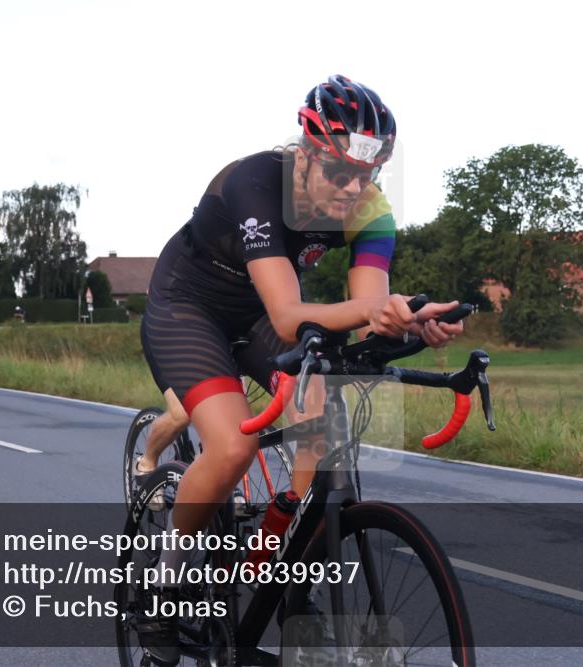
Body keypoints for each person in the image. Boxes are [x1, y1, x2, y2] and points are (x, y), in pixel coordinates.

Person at [135, 75, 463, 665]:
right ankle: (166, 580)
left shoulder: (372, 211)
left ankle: (285, 566)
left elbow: (368, 313)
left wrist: (406, 320)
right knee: (233, 448)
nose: (354, 188)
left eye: (369, 174)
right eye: (340, 172)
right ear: (307, 154)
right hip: (190, 308)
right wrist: (375, 310)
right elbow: (289, 315)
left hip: (260, 313)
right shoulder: (256, 182)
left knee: (325, 426)